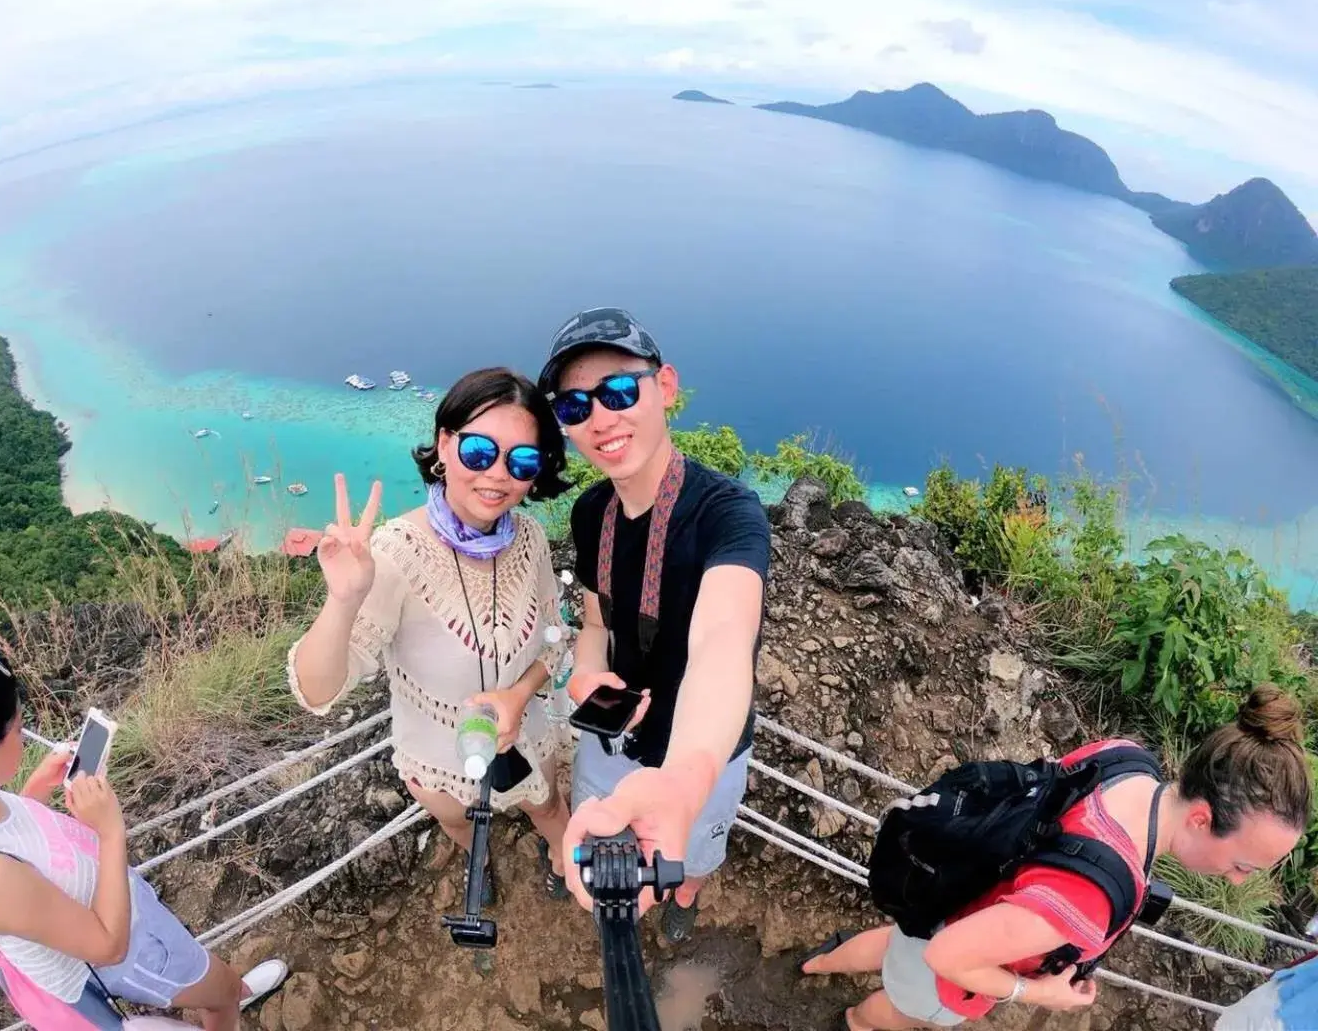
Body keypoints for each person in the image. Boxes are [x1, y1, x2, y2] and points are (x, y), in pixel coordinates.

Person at [800, 685, 1313, 1030]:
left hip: (954, 894)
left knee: (898, 944)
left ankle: (817, 962)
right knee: (895, 1009)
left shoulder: (1126, 760)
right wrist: (1040, 993)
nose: (1240, 881)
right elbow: (948, 957)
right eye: (1243, 865)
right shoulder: (1089, 899)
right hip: (949, 962)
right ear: (1202, 819)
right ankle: (852, 1020)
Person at [0, 640, 288, 1031]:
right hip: (132, 949)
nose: (24, 738)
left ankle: (228, 995)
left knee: (212, 985)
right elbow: (109, 945)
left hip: (121, 917)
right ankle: (233, 995)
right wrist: (110, 831)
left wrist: (37, 787)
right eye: (19, 729)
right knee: (222, 991)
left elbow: (5, 839)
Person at [288, 367, 574, 901]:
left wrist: (518, 694)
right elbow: (318, 690)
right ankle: (478, 864)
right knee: (462, 825)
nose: (498, 475)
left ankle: (561, 858)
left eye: (523, 460)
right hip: (440, 759)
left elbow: (555, 640)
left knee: (549, 805)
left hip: (526, 734)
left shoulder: (530, 537)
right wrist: (343, 599)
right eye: (479, 451)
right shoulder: (395, 555)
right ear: (445, 444)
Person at [543, 307, 771, 943]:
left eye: (619, 391)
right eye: (574, 407)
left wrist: (683, 779)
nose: (600, 419)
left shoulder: (727, 513)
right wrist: (588, 672)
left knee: (692, 850)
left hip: (702, 753)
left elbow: (724, 639)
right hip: (612, 737)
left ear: (665, 386)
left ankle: (688, 892)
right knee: (611, 823)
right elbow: (596, 617)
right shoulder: (592, 513)